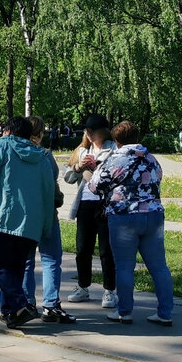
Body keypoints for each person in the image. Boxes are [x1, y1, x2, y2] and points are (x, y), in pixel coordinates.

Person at [0, 116, 73, 328]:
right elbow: (49, 192)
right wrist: (44, 223)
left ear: (7, 131)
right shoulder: (42, 156)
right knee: (15, 267)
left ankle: (22, 304)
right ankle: (11, 313)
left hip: (1, 219)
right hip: (31, 223)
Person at [88, 120, 174, 326]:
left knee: (124, 267)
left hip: (123, 216)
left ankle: (124, 312)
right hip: (153, 215)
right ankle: (165, 313)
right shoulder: (151, 159)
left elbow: (94, 186)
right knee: (160, 267)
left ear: (117, 141)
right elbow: (158, 178)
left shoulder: (113, 159)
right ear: (137, 138)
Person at [62, 114, 118, 308]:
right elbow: (67, 177)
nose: (89, 134)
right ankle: (82, 286)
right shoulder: (82, 149)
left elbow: (118, 175)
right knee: (82, 249)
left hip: (104, 204)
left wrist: (98, 168)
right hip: (85, 203)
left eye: (92, 131)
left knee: (106, 250)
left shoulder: (113, 149)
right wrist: (78, 166)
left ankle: (109, 290)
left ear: (103, 132)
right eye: (87, 131)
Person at [20, 116, 72, 317]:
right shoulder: (45, 155)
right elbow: (52, 182)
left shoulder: (17, 154)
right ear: (40, 134)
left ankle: (27, 302)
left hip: (25, 215)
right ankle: (50, 304)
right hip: (47, 214)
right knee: (51, 259)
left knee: (26, 261)